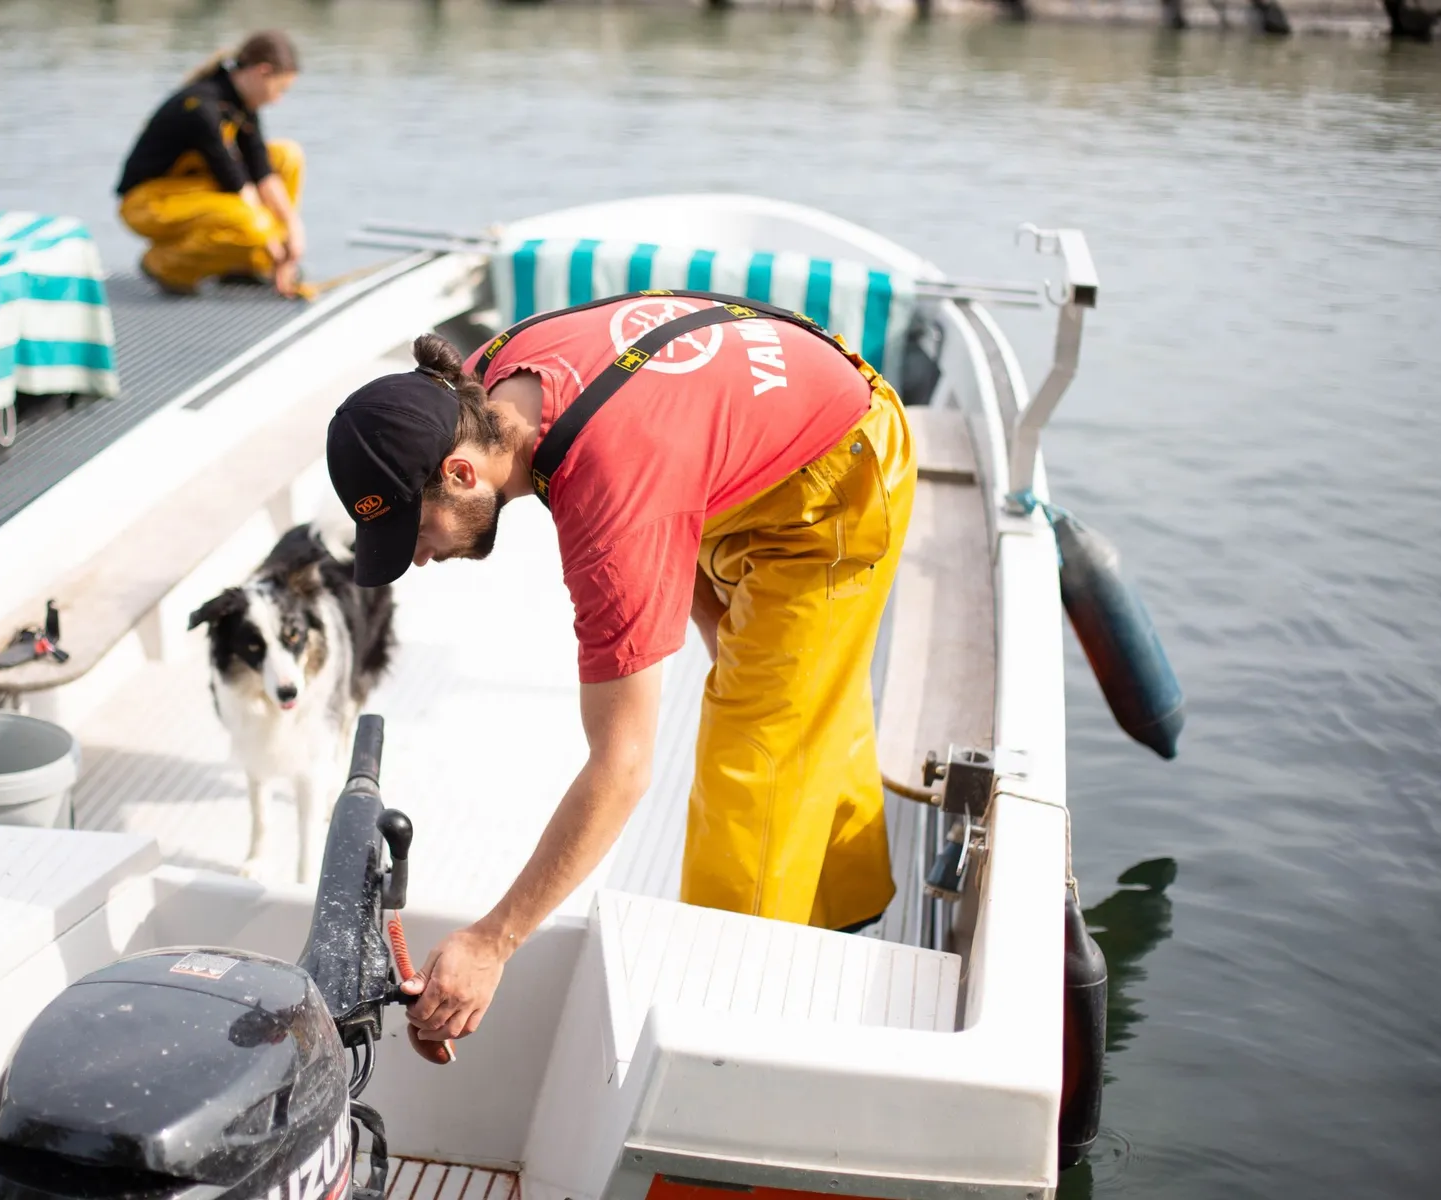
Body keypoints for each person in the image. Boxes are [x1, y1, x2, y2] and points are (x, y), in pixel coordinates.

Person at [324, 291, 917, 1050]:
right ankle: (846, 913)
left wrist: (493, 942)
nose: (417, 556)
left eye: (413, 530)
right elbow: (657, 479)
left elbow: (623, 766)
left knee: (758, 754)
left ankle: (730, 1034)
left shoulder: (614, 508)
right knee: (792, 696)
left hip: (835, 473)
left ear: (464, 471)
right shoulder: (477, 385)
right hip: (733, 429)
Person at [116, 31, 306, 297]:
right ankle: (163, 264)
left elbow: (262, 172)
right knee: (254, 225)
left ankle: (245, 265)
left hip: (190, 191)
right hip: (147, 202)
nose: (278, 99)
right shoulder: (201, 107)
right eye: (280, 88)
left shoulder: (241, 104)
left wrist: (293, 230)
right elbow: (239, 186)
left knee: (287, 155)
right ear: (263, 72)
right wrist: (276, 248)